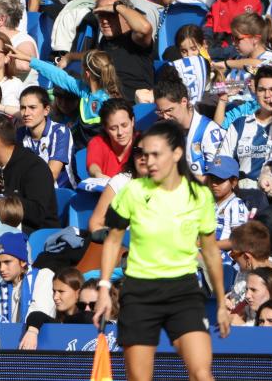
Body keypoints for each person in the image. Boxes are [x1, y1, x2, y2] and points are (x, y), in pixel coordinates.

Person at [93, 120, 230, 381]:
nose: (149, 162)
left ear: (177, 154)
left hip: (184, 291)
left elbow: (211, 252)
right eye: (145, 155)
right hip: (139, 293)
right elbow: (112, 241)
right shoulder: (133, 191)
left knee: (202, 373)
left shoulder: (199, 195)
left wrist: (222, 303)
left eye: (156, 154)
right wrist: (103, 289)